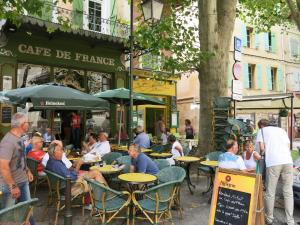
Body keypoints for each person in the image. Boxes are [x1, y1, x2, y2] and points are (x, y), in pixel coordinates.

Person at [256, 119, 294, 225]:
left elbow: (262, 149)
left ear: (261, 126)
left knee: (270, 192)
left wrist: (260, 154)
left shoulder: (262, 131)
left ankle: (269, 219)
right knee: (288, 192)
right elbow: (287, 147)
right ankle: (290, 221)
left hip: (273, 162)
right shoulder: (282, 130)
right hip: (288, 161)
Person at [0, 113, 34, 224]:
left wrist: (27, 170)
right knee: (7, 218)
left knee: (28, 213)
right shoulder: (8, 141)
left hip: (23, 182)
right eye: (27, 123)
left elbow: (21, 158)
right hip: (10, 186)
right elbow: (3, 166)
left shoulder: (20, 138)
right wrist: (12, 186)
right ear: (22, 125)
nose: (29, 125)